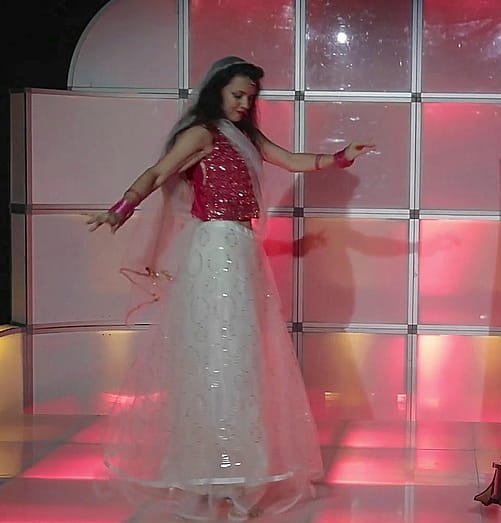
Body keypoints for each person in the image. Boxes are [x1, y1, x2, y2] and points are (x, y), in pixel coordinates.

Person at [86, 56, 375, 520]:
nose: (244, 103)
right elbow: (159, 172)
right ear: (218, 90)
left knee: (241, 356)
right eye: (237, 94)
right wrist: (120, 209)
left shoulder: (247, 138)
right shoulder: (202, 133)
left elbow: (291, 160)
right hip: (215, 245)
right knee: (215, 355)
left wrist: (341, 157)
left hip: (239, 248)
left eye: (251, 97)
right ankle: (209, 469)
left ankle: (235, 470)